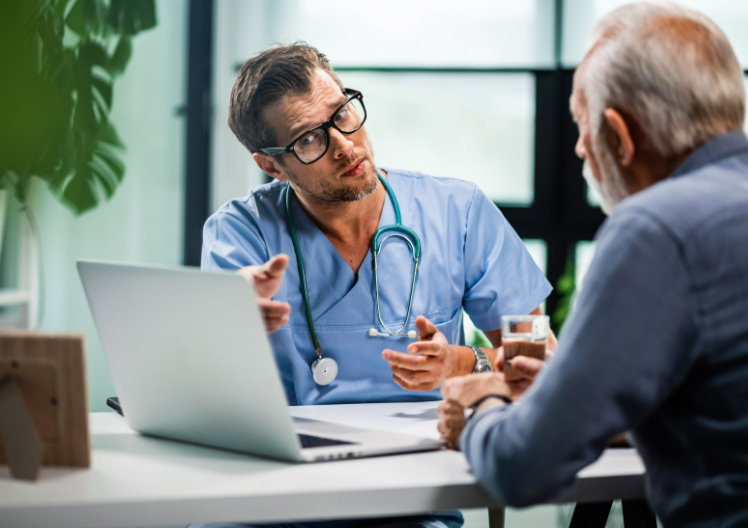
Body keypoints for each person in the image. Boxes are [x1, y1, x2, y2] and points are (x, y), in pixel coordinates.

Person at [199, 43, 552, 528]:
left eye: (343, 112)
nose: (344, 144)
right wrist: (225, 317)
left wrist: (465, 363)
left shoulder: (460, 213)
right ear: (271, 166)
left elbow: (542, 360)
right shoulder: (242, 232)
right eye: (307, 139)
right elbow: (202, 387)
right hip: (268, 500)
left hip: (409, 502)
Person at [436, 2, 748, 525]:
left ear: (619, 136)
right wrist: (580, 396)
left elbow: (522, 468)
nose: (580, 149)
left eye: (581, 128)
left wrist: (481, 407)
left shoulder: (656, 228)